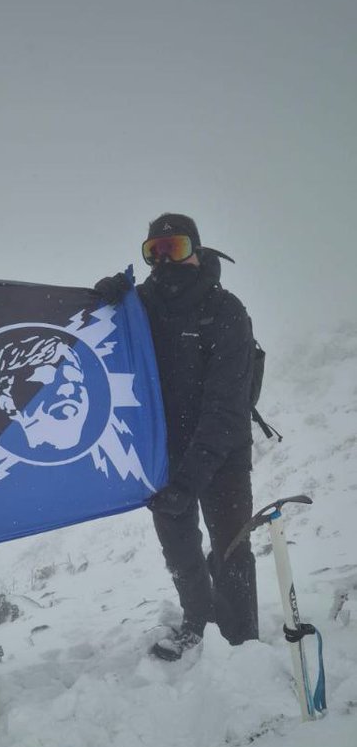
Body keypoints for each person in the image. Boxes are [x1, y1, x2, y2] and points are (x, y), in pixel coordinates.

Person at [95, 213, 258, 661]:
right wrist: (103, 302)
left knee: (230, 542)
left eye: (176, 248)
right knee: (180, 545)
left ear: (197, 251)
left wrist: (190, 479)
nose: (165, 260)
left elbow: (226, 407)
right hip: (162, 453)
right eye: (155, 251)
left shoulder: (226, 311)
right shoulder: (139, 306)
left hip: (222, 450)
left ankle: (242, 641)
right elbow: (98, 346)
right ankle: (197, 622)